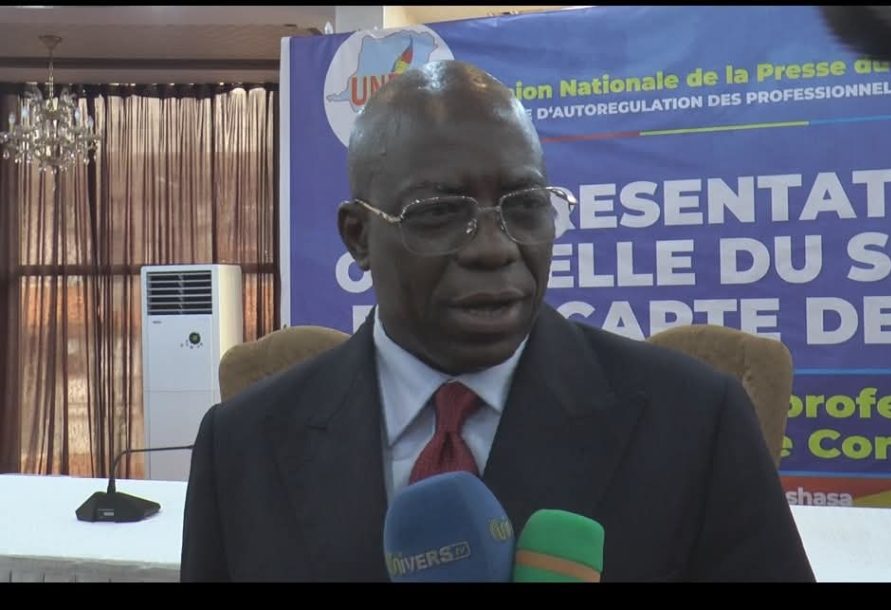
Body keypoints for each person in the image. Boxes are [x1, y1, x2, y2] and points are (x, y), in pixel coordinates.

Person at [180, 60, 815, 582]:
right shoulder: (242, 445)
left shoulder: (695, 424)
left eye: (525, 205)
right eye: (439, 212)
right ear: (359, 236)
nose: (494, 248)